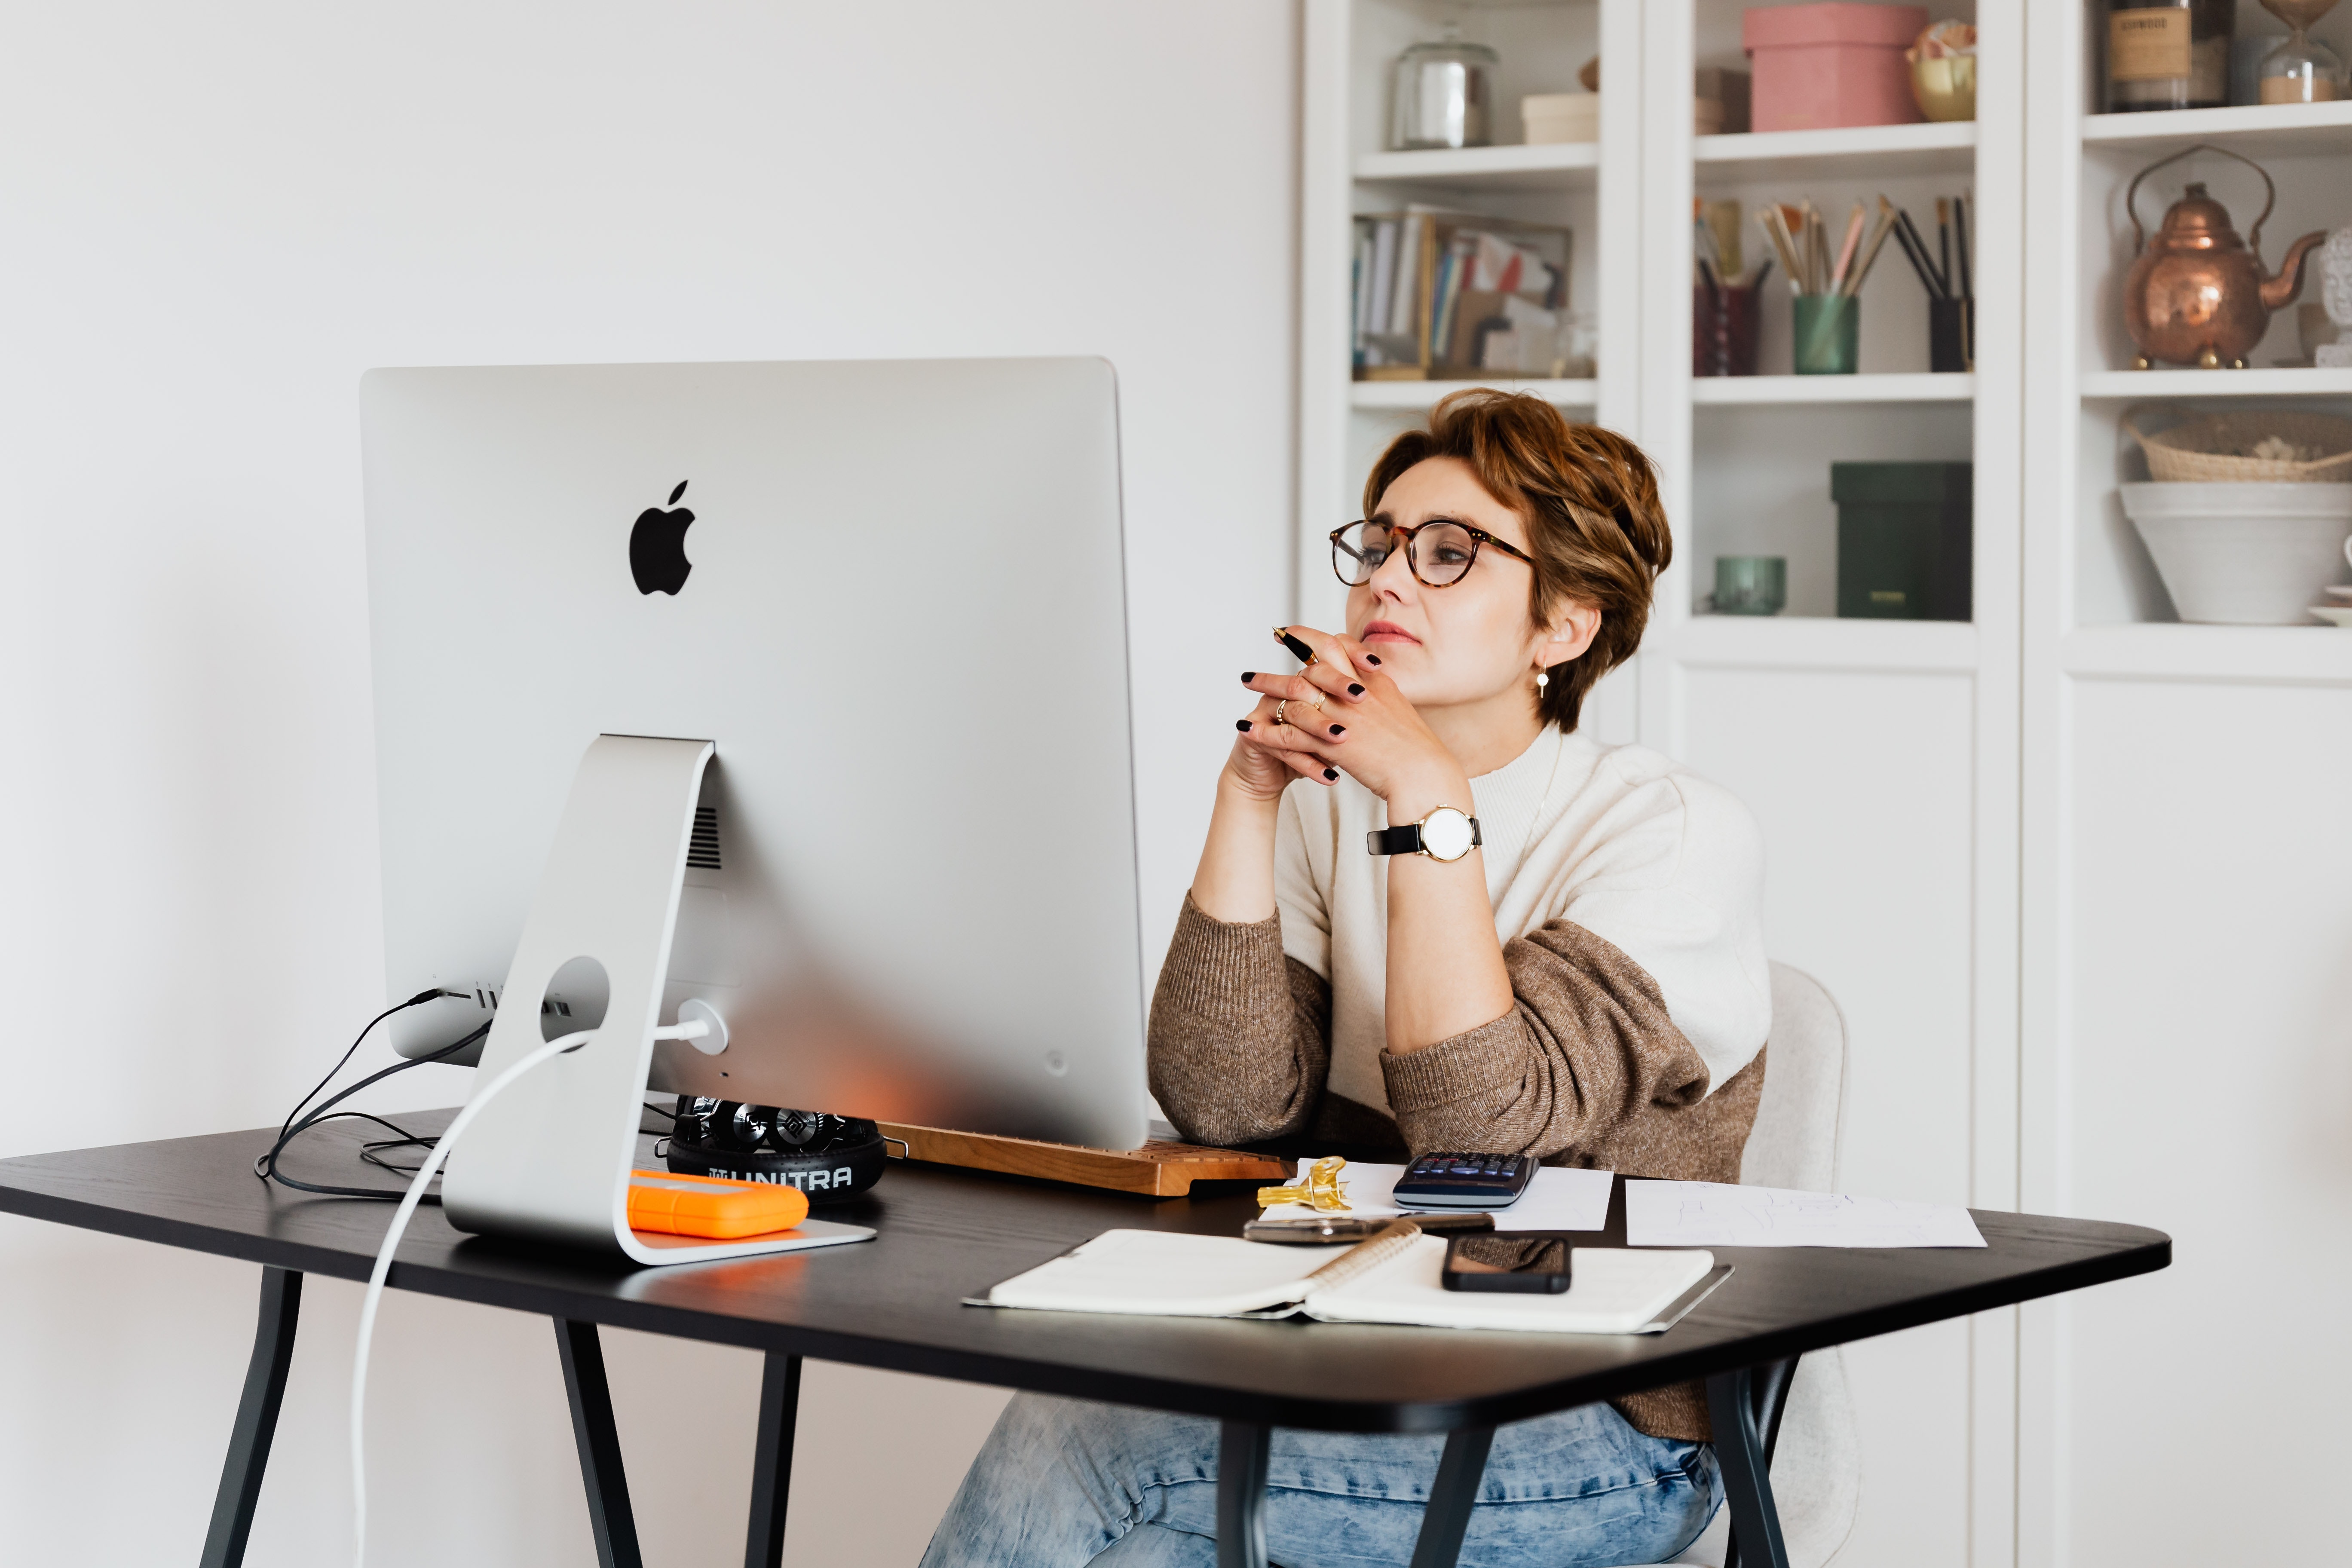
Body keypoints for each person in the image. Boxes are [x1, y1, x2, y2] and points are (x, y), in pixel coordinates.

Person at [920, 390, 1772, 1568]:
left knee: (1097, 1442)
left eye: (1448, 555)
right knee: (1143, 1541)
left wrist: (1429, 806)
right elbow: (1228, 1104)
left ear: (1563, 628)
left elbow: (1479, 1130)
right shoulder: (1330, 811)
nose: (1386, 580)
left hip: (1606, 1426)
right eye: (1377, 544)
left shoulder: (1671, 832)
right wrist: (1250, 794)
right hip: (1359, 1350)